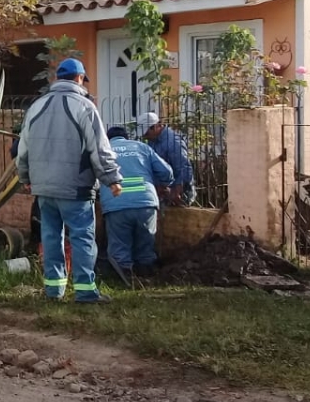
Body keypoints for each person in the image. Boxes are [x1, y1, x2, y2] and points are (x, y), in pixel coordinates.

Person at [16, 58, 123, 303]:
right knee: (81, 236)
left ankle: (54, 290)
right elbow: (100, 147)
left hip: (44, 187)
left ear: (57, 79)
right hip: (75, 186)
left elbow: (24, 149)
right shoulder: (84, 106)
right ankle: (85, 291)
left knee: (51, 236)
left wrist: (25, 177)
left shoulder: (36, 106)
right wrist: (112, 178)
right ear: (79, 78)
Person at [101, 126, 174, 277]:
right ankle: (146, 276)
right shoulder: (141, 147)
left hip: (116, 203)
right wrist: (164, 184)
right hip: (145, 202)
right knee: (145, 245)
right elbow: (166, 172)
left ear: (108, 139)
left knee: (119, 246)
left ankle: (124, 278)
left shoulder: (103, 151)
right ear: (126, 137)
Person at [136, 111, 195, 206]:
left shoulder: (173, 142)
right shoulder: (152, 141)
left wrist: (177, 191)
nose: (145, 136)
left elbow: (184, 167)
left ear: (155, 127)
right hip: (164, 194)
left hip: (178, 195)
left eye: (147, 133)